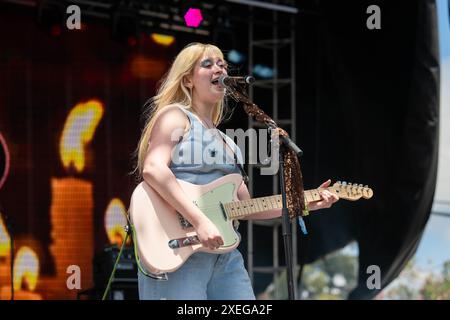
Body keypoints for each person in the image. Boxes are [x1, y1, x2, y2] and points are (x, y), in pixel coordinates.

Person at [134, 42, 338, 300]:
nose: (219, 68)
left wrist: (307, 203)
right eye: (207, 64)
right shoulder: (175, 117)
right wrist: (199, 220)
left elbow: (248, 207)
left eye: (222, 64)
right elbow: (153, 168)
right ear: (187, 80)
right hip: (180, 249)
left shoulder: (229, 143)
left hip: (224, 256)